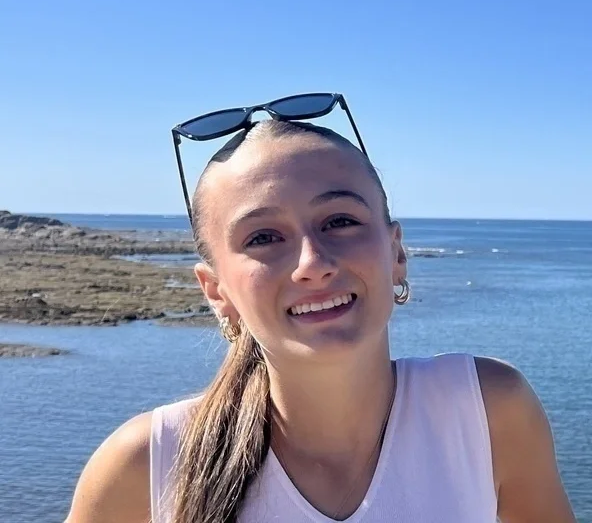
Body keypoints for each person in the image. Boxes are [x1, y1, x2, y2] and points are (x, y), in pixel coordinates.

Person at [65, 114, 576, 523]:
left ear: (396, 253)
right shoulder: (148, 464)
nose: (313, 263)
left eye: (340, 221)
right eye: (264, 237)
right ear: (216, 291)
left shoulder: (487, 410)